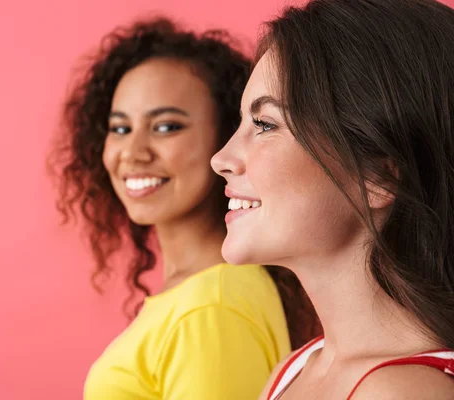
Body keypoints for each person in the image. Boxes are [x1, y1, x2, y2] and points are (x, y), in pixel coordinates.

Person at [50, 17, 319, 400]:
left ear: (226, 137)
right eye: (120, 128)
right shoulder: (201, 295)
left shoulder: (211, 305)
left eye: (166, 127)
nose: (133, 152)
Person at [211, 0, 454, 398]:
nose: (220, 159)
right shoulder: (293, 371)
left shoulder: (401, 392)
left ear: (376, 177)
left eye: (265, 124)